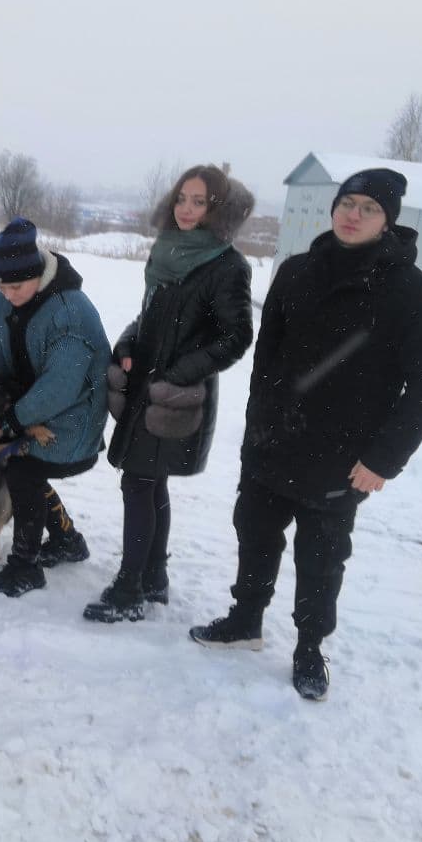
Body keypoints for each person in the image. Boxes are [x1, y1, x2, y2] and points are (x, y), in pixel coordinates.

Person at [189, 168, 422, 700]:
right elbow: (268, 358)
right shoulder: (297, 270)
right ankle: (246, 620)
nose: (353, 215)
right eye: (347, 203)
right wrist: (257, 424)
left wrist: (384, 460)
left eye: (369, 208)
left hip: (343, 459)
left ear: (388, 220)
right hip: (273, 444)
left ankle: (309, 648)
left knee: (322, 558)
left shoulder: (412, 293)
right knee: (254, 536)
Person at [85, 166, 255, 623]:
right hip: (146, 385)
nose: (186, 209)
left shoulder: (226, 264)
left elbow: (237, 336)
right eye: (182, 198)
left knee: (138, 482)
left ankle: (129, 590)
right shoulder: (168, 251)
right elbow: (149, 316)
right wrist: (126, 344)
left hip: (176, 395)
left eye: (199, 201)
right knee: (150, 479)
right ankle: (153, 577)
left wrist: (179, 375)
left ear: (216, 210)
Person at [0, 218, 111, 598]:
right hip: (30, 408)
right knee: (3, 457)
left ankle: (25, 566)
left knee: (21, 467)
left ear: (37, 274)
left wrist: (6, 423)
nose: (7, 293)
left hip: (73, 420)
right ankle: (67, 540)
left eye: (15, 285)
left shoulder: (70, 312)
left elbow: (61, 387)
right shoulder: (4, 300)